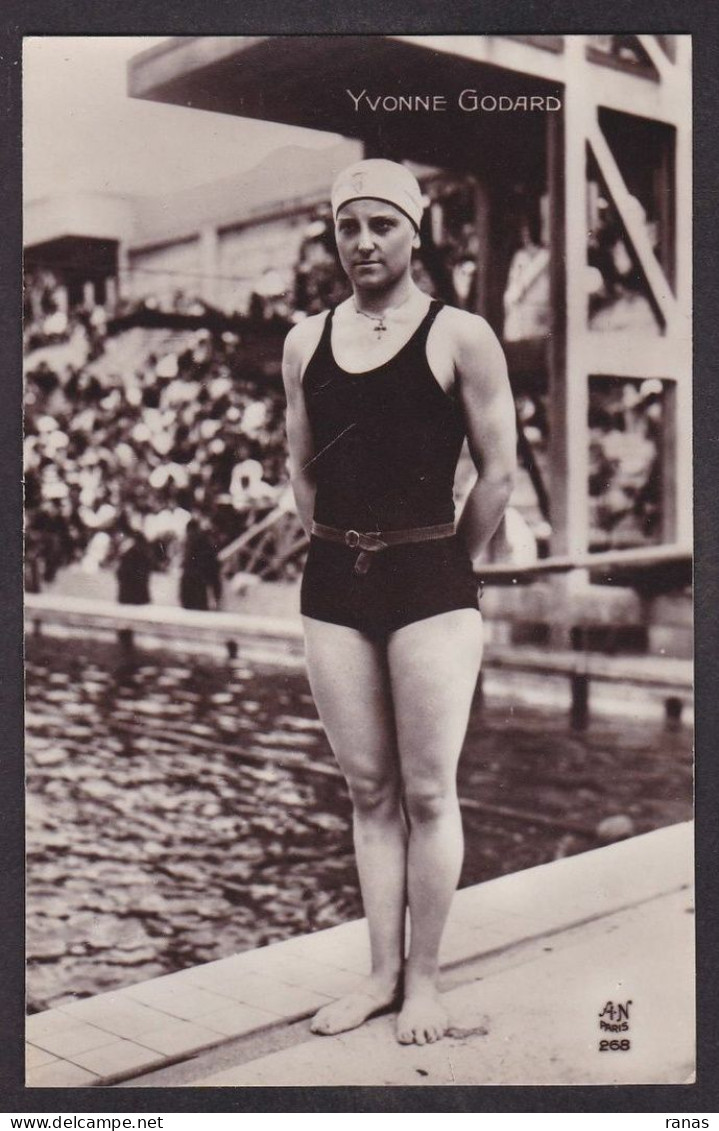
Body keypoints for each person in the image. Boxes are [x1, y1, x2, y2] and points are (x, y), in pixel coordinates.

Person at [282, 159, 516, 1046]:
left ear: (416, 233)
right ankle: (379, 974)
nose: (363, 242)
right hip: (334, 581)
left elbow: (497, 474)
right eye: (348, 226)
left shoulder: (463, 334)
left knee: (426, 790)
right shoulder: (305, 341)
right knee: (367, 789)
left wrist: (450, 564)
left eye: (381, 224)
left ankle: (425, 982)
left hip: (431, 580)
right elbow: (302, 468)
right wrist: (337, 542)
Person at [179, 518, 223, 611]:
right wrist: (217, 596)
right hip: (200, 584)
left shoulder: (191, 542)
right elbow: (215, 573)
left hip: (192, 583)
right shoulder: (206, 543)